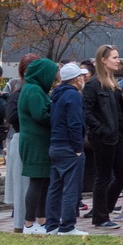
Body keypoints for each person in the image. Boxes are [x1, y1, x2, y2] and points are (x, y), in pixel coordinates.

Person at [83, 44, 123, 229]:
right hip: (103, 137)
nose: (118, 61)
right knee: (103, 176)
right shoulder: (93, 85)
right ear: (103, 60)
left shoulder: (114, 85)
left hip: (118, 135)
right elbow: (87, 111)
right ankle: (100, 217)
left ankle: (103, 209)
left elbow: (118, 112)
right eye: (114, 57)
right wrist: (100, 129)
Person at [46, 63, 88, 235]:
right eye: (81, 76)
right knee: (71, 187)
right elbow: (75, 123)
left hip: (55, 145)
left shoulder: (57, 95)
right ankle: (67, 226)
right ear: (77, 79)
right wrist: (78, 148)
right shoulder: (74, 96)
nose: (83, 78)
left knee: (55, 187)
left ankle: (52, 225)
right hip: (69, 147)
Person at [19, 57, 59, 235]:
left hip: (39, 142)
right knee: (36, 182)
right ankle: (29, 223)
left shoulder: (34, 88)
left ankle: (41, 220)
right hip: (35, 143)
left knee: (43, 181)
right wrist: (56, 111)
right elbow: (41, 115)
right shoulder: (34, 90)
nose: (53, 79)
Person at [5, 53, 40, 233]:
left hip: (33, 142)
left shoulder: (36, 91)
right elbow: (11, 117)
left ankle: (35, 222)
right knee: (22, 187)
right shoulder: (18, 93)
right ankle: (22, 225)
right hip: (22, 141)